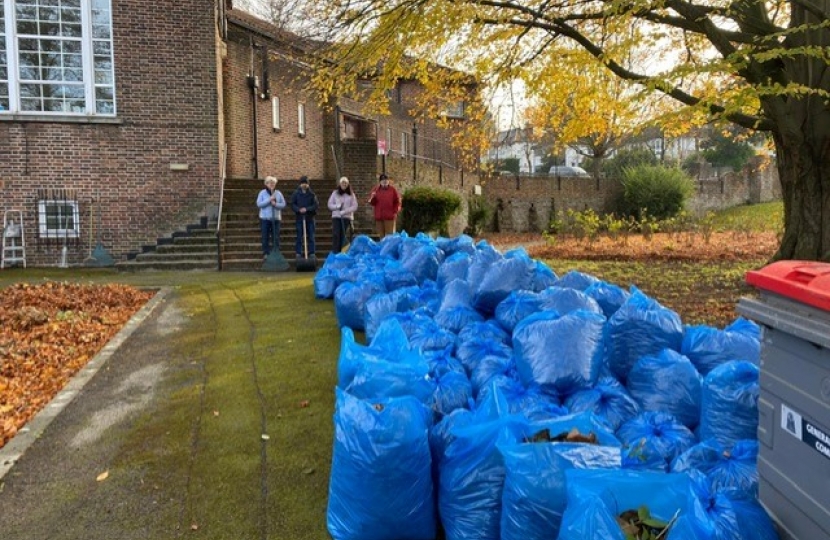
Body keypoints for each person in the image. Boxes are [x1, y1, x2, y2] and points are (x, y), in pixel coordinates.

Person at [256, 176, 286, 259]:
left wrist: (275, 204)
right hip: (265, 219)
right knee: (265, 236)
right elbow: (259, 204)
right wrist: (269, 200)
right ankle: (266, 253)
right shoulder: (262, 193)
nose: (272, 184)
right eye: (270, 183)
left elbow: (283, 204)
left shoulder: (278, 193)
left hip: (276, 219)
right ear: (266, 184)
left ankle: (276, 252)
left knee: (275, 236)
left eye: (273, 183)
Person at [327, 176, 358, 254]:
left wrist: (345, 211)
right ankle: (336, 252)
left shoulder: (351, 194)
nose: (344, 184)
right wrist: (337, 206)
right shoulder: (335, 193)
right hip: (336, 217)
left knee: (343, 235)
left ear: (348, 184)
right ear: (340, 184)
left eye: (345, 183)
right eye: (342, 183)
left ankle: (343, 252)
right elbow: (329, 204)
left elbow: (355, 206)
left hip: (346, 217)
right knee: (336, 234)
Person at [290, 175, 319, 258]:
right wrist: (298, 209)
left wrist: (307, 209)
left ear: (308, 184)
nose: (304, 185)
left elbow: (316, 205)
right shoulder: (296, 194)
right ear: (300, 184)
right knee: (299, 235)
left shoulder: (312, 194)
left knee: (311, 236)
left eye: (306, 183)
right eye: (302, 183)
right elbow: (292, 204)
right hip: (299, 218)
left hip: (310, 218)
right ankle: (298, 253)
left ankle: (312, 253)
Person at [368, 173, 401, 238]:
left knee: (390, 237)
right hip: (379, 217)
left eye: (386, 179)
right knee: (381, 237)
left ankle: (391, 248)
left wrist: (395, 211)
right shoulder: (375, 190)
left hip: (390, 217)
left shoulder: (393, 190)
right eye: (382, 180)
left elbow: (398, 201)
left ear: (388, 181)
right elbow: (372, 203)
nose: (384, 181)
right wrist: (372, 198)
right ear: (380, 181)